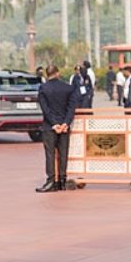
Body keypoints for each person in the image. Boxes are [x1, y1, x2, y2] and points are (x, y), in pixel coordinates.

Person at [37, 65, 76, 193]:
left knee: (50, 154)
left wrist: (54, 124)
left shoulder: (43, 88)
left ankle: (51, 181)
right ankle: (62, 181)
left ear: (47, 74)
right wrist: (66, 123)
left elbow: (45, 108)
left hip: (49, 126)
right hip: (64, 126)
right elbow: (71, 108)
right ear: (58, 73)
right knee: (63, 153)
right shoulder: (68, 88)